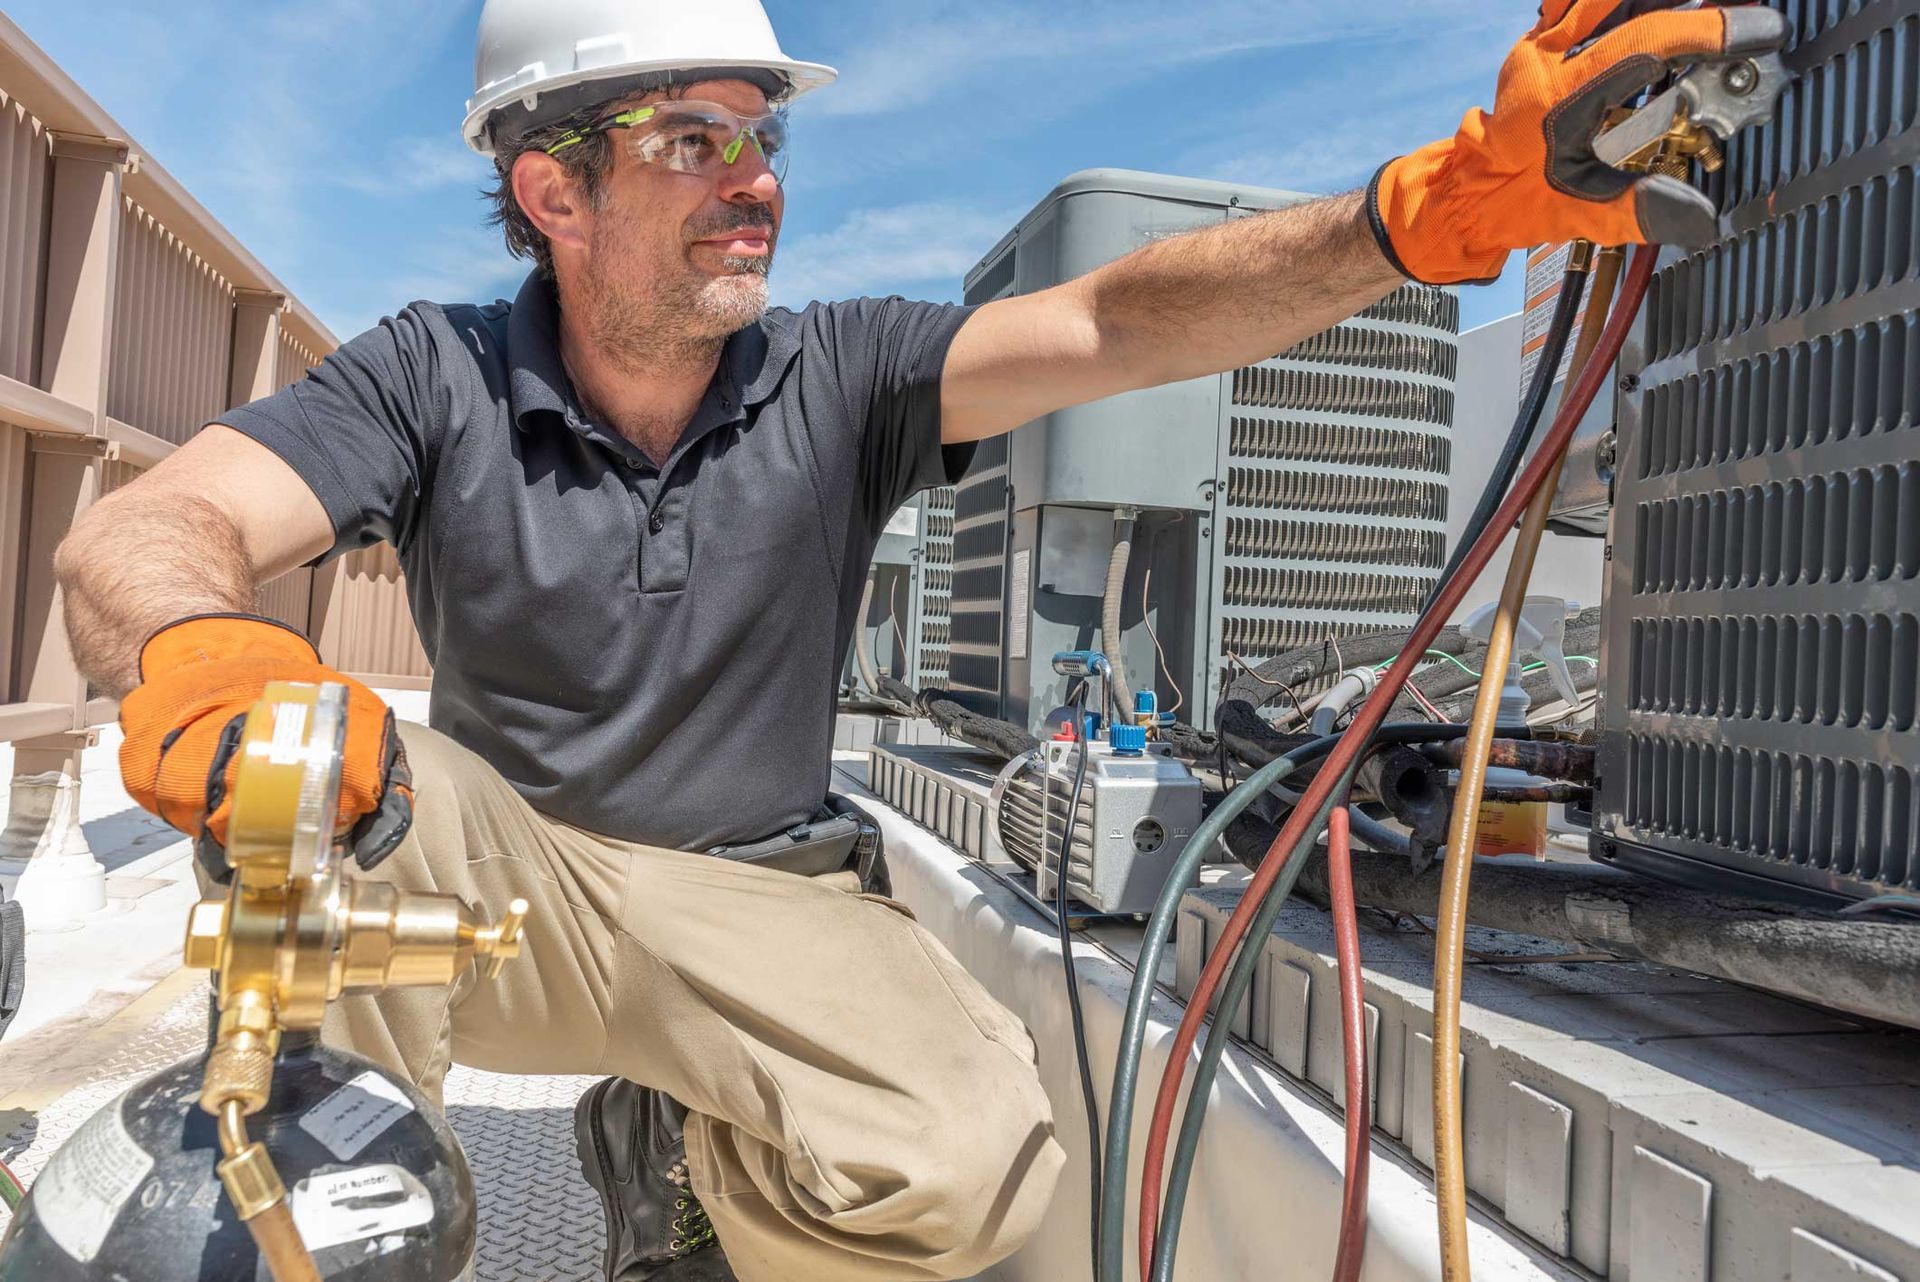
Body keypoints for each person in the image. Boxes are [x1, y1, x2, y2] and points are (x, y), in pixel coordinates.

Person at [54, 0, 1785, 1278]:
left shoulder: (848, 369)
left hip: (764, 896)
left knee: (973, 1163)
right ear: (553, 193)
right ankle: (342, 1217)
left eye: (764, 141)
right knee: (310, 772)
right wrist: (202, 646)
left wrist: (1419, 221)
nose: (754, 183)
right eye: (693, 142)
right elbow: (151, 528)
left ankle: (682, 1161)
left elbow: (1114, 315)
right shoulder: (428, 374)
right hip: (510, 895)